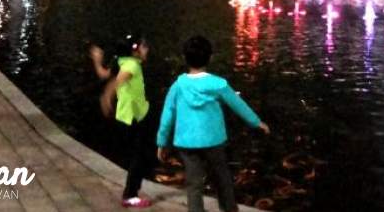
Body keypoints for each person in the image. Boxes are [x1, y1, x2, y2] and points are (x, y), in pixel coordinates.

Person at [156, 36, 270, 212]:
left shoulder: (178, 85)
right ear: (210, 57)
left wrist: (162, 142)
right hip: (213, 141)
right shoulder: (218, 84)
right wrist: (257, 122)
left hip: (186, 143)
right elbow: (238, 105)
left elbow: (167, 116)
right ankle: (229, 209)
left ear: (185, 58)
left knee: (194, 184)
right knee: (222, 178)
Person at [91, 36, 155, 208]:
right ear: (135, 50)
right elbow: (117, 81)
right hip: (134, 117)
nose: (147, 49)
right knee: (140, 156)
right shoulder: (132, 65)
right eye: (144, 46)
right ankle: (130, 195)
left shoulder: (120, 61)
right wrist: (106, 97)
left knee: (138, 154)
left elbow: (104, 75)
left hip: (127, 115)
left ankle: (131, 191)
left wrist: (97, 61)